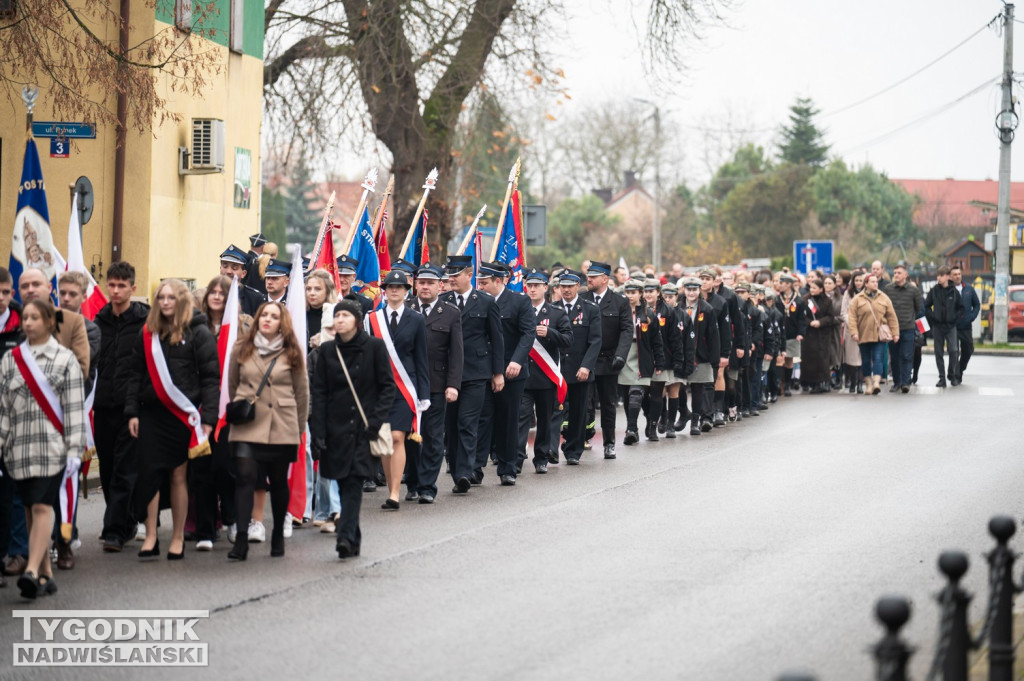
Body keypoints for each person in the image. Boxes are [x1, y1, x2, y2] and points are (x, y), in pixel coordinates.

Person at [126, 279, 219, 560]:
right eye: (161, 298)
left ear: (181, 300)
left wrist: (208, 418)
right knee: (150, 475)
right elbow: (134, 375)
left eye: (171, 297)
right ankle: (151, 535)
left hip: (183, 416)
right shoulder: (147, 333)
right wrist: (131, 411)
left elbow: (211, 379)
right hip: (152, 414)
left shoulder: (199, 332)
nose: (165, 302)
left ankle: (177, 536)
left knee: (179, 476)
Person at [0, 299, 87, 599]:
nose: (27, 322)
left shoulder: (65, 360)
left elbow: (75, 410)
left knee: (41, 507)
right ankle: (47, 575)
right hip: (19, 451)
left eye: (35, 317)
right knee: (28, 509)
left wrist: (75, 451)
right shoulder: (10, 360)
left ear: (50, 322)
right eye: (25, 317)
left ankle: (32, 570)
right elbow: (3, 411)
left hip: (53, 450)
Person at [311, 299, 395, 559]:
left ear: (357, 321)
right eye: (337, 316)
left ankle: (345, 537)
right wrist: (319, 432)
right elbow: (320, 393)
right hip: (335, 428)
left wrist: (375, 421)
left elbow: (387, 387)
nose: (340, 320)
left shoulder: (375, 347)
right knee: (341, 480)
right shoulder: (326, 351)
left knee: (354, 483)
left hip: (363, 428)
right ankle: (353, 535)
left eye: (345, 315)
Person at [226, 301, 308, 560]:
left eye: (274, 316)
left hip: (281, 424)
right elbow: (233, 384)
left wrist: (299, 427)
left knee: (278, 480)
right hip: (248, 424)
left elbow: (302, 392)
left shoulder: (292, 351)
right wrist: (243, 407)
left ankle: (276, 536)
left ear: (281, 322)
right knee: (245, 479)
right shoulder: (241, 348)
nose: (267, 319)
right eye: (264, 315)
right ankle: (241, 539)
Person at [191, 276, 252, 551]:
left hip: (231, 409)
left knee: (226, 468)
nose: (216, 296)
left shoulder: (245, 326)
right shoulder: (195, 326)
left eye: (222, 292)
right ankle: (205, 530)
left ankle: (230, 517)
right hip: (201, 408)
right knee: (201, 470)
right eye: (212, 292)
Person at [93, 261, 150, 552]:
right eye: (111, 285)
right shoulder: (98, 320)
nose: (115, 291)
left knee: (125, 469)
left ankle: (114, 530)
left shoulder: (144, 321)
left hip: (132, 406)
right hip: (103, 404)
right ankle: (125, 520)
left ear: (132, 288)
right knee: (107, 468)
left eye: (121, 286)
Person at [364, 270, 429, 507]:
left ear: (405, 291)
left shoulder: (417, 319)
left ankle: (394, 493)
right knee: (384, 440)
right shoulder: (372, 319)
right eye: (390, 286)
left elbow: (422, 359)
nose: (394, 290)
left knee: (396, 437)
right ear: (385, 290)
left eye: (399, 287)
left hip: (405, 389)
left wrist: (423, 394)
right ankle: (391, 488)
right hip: (379, 388)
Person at [440, 255, 503, 494]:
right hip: (447, 373)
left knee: (468, 423)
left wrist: (497, 372)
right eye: (449, 275)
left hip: (476, 372)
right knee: (451, 424)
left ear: (469, 274)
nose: (452, 279)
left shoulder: (485, 302)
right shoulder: (443, 301)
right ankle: (457, 468)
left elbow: (497, 340)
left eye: (456, 275)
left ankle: (464, 473)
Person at [52, 270, 101, 568]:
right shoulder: (44, 322)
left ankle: (65, 538)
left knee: (66, 482)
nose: (67, 298)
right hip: (41, 415)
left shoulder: (90, 329)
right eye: (63, 293)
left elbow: (76, 366)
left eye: (73, 294)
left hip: (70, 413)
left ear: (84, 297)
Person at [406, 263, 463, 502]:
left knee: (432, 436)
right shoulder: (405, 308)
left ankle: (428, 487)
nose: (425, 287)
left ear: (440, 286)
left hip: (437, 384)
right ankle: (412, 482)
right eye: (422, 282)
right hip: (407, 384)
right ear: (416, 284)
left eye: (430, 283)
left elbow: (456, 353)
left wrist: (453, 385)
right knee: (409, 436)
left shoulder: (450, 312)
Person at [475, 262, 535, 484]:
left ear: (498, 281)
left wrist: (517, 361)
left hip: (512, 372)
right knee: (482, 418)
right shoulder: (477, 301)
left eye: (484, 283)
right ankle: (475, 467)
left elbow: (528, 333)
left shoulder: (519, 301)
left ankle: (508, 468)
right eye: (478, 282)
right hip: (484, 370)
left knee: (508, 419)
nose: (479, 286)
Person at [517, 269, 572, 473]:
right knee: (521, 419)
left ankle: (541, 458)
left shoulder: (556, 313)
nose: (532, 289)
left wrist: (550, 333)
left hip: (545, 378)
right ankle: (516, 458)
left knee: (545, 420)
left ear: (544, 288)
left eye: (536, 286)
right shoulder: (519, 310)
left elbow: (568, 340)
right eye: (529, 286)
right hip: (523, 376)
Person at [583, 261, 632, 460]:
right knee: (584, 403)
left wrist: (621, 355)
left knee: (608, 404)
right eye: (588, 275)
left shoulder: (619, 302)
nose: (589, 279)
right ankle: (582, 438)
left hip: (608, 360)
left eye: (593, 276)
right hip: (586, 361)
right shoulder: (582, 299)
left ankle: (609, 443)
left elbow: (627, 330)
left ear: (605, 279)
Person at [556, 270, 601, 464]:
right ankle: (550, 448)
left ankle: (574, 450)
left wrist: (586, 366)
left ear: (577, 286)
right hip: (556, 369)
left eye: (569, 286)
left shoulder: (590, 309)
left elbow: (595, 341)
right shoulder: (552, 308)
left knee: (578, 411)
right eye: (563, 286)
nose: (566, 290)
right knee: (553, 411)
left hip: (579, 369)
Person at [0, 267, 25, 586]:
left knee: (15, 490)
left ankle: (18, 551)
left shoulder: (23, 326)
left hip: (17, 420)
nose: (2, 299)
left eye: (6, 293)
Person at [618, 280, 666, 445]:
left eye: (633, 292)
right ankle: (633, 429)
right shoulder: (620, 311)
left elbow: (657, 340)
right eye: (628, 293)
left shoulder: (648, 314)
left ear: (640, 293)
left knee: (636, 393)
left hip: (642, 356)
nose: (630, 296)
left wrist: (659, 362)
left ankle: (632, 428)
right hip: (625, 355)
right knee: (626, 395)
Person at [847, 273, 899, 394]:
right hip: (863, 334)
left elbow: (892, 316)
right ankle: (868, 384)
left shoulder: (884, 297)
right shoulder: (857, 299)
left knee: (878, 358)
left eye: (876, 282)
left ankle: (876, 383)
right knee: (865, 360)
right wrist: (854, 332)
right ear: (866, 284)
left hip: (879, 335)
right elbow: (852, 317)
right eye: (872, 282)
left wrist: (895, 333)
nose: (875, 284)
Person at [681, 277, 719, 434]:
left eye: (694, 289)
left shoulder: (707, 309)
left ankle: (695, 421)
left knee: (697, 388)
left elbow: (713, 335)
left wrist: (714, 358)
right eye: (688, 289)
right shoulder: (678, 307)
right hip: (681, 354)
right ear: (684, 290)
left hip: (700, 354)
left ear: (699, 290)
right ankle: (683, 413)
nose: (691, 293)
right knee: (679, 387)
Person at [883, 265, 922, 394]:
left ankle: (905, 383)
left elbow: (918, 308)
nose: (896, 275)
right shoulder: (888, 289)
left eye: (899, 273)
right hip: (893, 329)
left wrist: (910, 319)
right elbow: (885, 307)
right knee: (894, 357)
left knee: (906, 356)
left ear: (905, 275)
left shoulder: (913, 290)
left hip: (908, 328)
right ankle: (897, 382)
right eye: (894, 272)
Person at [923, 266, 964, 388]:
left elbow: (961, 308)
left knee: (953, 351)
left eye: (941, 275)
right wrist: (933, 317)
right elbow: (926, 307)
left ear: (947, 276)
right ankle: (942, 378)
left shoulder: (954, 292)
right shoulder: (934, 290)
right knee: (938, 352)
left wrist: (954, 317)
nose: (938, 278)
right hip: (938, 327)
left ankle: (951, 374)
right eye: (938, 275)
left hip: (951, 326)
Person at [800, 279, 837, 394]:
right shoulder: (805, 300)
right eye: (811, 288)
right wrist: (809, 322)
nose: (812, 290)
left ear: (821, 289)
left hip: (822, 335)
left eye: (815, 288)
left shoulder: (827, 301)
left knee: (822, 359)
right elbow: (801, 317)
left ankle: (822, 381)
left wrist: (820, 322)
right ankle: (809, 382)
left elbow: (831, 317)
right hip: (809, 334)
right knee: (809, 359)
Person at [775, 273, 807, 397]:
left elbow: (802, 319)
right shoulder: (777, 299)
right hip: (779, 335)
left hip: (792, 335)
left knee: (789, 361)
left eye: (781, 283)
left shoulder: (798, 300)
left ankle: (787, 385)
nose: (779, 285)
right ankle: (779, 385)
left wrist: (800, 333)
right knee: (779, 360)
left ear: (788, 284)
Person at [950, 266, 980, 383]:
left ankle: (960, 369)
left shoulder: (969, 289)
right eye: (955, 274)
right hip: (953, 327)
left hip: (966, 326)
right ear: (951, 277)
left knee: (968, 350)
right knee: (954, 351)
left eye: (959, 274)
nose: (957, 276)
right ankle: (955, 375)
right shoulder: (947, 290)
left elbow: (977, 305)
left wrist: (971, 317)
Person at [220, 245, 265, 316]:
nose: (228, 271)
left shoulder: (254, 299)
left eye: (234, 268)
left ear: (243, 273)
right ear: (220, 268)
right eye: (225, 266)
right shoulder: (210, 293)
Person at [840, 272, 865, 394]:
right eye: (856, 280)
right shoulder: (847, 294)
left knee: (861, 358)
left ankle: (860, 383)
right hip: (851, 329)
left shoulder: (867, 293)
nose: (859, 283)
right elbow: (843, 312)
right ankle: (852, 382)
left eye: (861, 280)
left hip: (865, 329)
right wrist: (852, 324)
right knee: (851, 359)